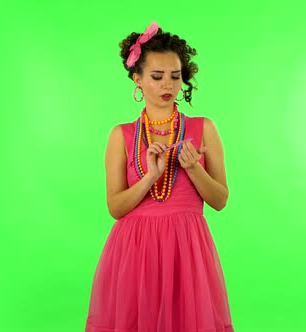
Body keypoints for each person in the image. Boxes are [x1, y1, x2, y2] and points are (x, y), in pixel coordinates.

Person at [85, 21, 235, 332]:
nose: (167, 85)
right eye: (156, 76)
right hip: (134, 252)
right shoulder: (121, 136)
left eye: (175, 76)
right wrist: (149, 177)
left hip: (187, 252)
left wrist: (193, 168)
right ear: (137, 79)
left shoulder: (203, 128)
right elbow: (115, 207)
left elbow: (220, 200)